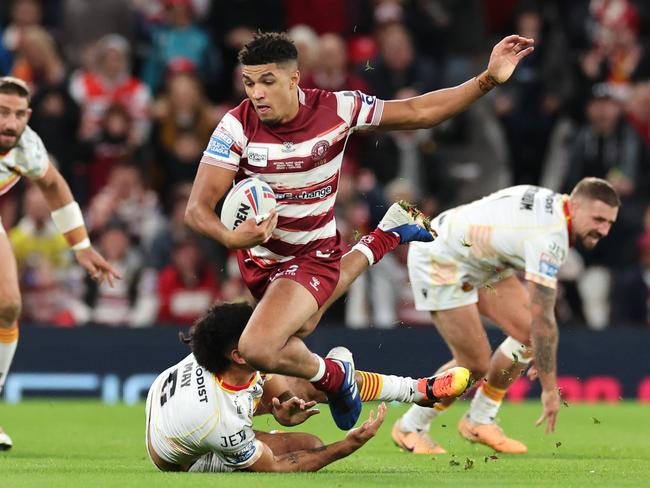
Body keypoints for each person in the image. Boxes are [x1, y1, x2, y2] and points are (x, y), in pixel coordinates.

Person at [184, 31, 534, 430]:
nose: (257, 93)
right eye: (249, 83)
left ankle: (337, 376)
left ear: (294, 79)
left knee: (257, 347)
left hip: (312, 258)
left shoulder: (338, 108)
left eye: (267, 81)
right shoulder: (236, 126)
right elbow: (197, 209)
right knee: (299, 335)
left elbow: (420, 112)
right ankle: (384, 236)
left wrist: (487, 79)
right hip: (260, 261)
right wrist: (231, 237)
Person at [390, 177, 619, 454]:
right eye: (598, 219)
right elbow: (543, 317)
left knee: (529, 337)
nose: (604, 230)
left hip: (481, 258)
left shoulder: (556, 206)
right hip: (440, 255)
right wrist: (549, 388)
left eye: (609, 223)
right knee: (474, 364)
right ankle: (410, 427)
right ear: (577, 204)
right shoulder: (550, 238)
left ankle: (480, 419)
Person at [145, 301, 470, 473]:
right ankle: (345, 382)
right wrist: (347, 446)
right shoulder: (221, 423)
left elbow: (264, 373)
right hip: (181, 456)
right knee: (310, 445)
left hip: (181, 404)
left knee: (309, 384)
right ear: (239, 354)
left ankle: (419, 390)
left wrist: (285, 399)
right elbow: (273, 469)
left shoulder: (222, 356)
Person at [0, 76, 120, 449]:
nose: (10, 123)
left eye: (19, 114)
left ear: (29, 116)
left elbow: (53, 186)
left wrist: (81, 246)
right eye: (2, 112)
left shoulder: (26, 146)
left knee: (8, 306)